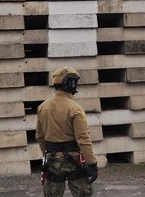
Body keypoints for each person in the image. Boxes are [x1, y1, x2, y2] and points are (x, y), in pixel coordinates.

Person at [36, 67, 98, 197]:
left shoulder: (42, 107)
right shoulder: (75, 109)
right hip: (74, 161)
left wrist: (47, 154)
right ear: (71, 83)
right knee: (83, 194)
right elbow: (83, 138)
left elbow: (40, 136)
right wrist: (92, 163)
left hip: (52, 159)